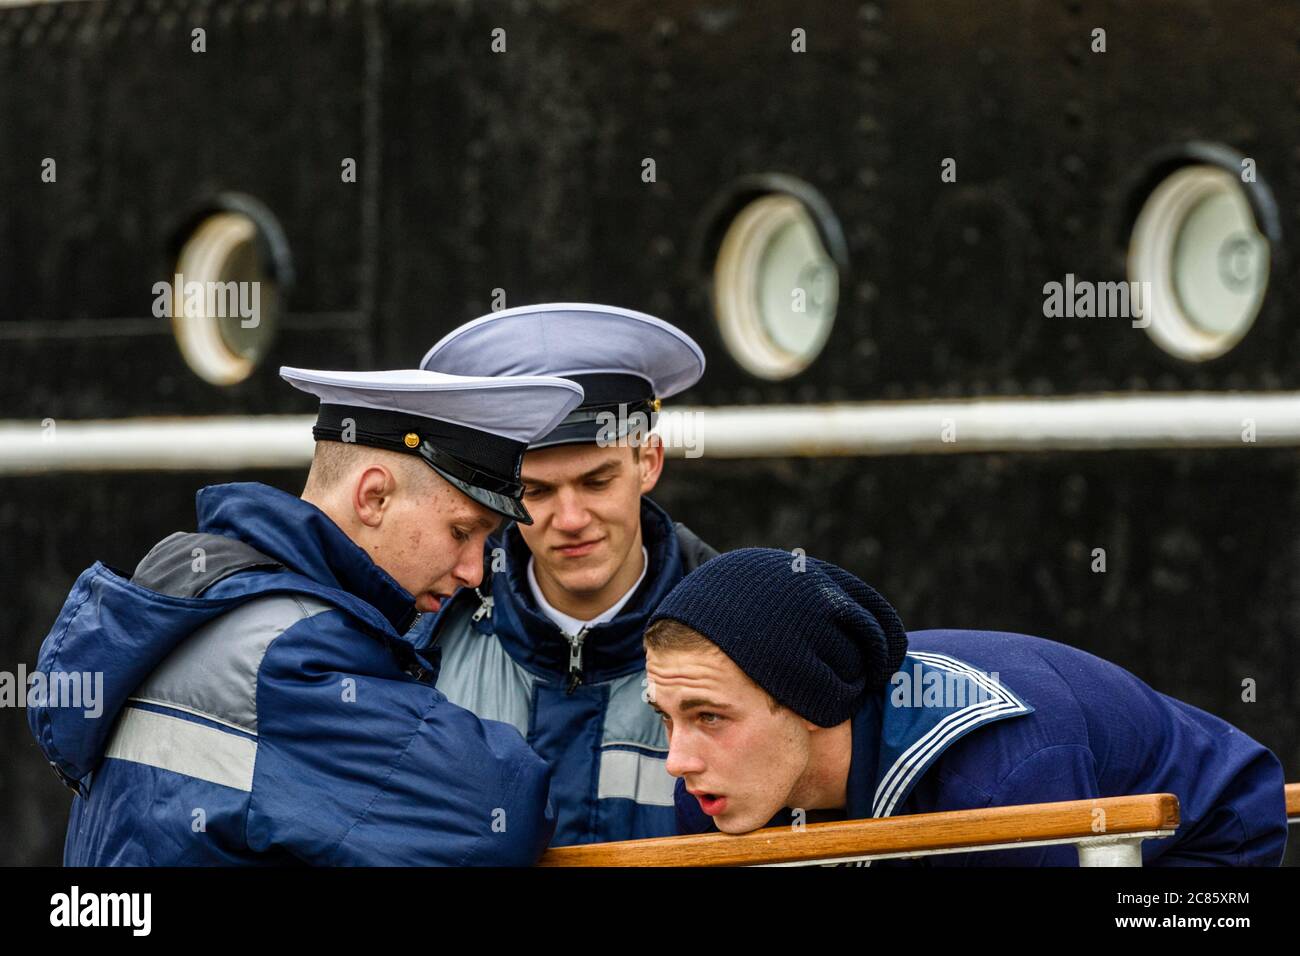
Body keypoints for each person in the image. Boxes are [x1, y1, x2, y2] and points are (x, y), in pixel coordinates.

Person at [28, 366, 585, 865]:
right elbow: (504, 808)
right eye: (461, 532)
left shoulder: (202, 597)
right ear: (373, 497)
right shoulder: (293, 652)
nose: (474, 572)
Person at [644, 548, 1289, 866]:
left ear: (811, 702)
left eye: (709, 717)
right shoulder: (715, 788)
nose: (677, 760)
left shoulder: (997, 778)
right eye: (665, 717)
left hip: (1208, 853)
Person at [417, 303, 716, 844]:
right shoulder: (421, 643)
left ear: (648, 461)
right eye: (536, 492)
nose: (571, 520)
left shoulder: (745, 641)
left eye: (597, 481)